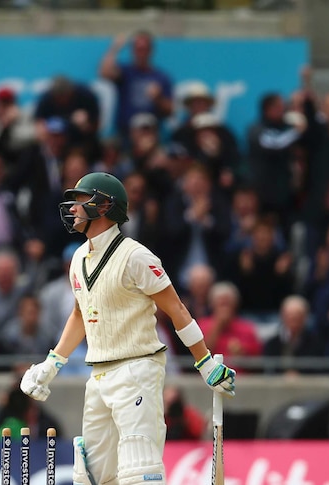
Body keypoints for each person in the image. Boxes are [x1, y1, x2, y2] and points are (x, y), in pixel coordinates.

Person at [19, 171, 236, 485]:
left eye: (82, 200)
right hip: (99, 374)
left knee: (138, 472)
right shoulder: (79, 258)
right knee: (91, 475)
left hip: (137, 370)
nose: (73, 208)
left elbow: (175, 308)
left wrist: (204, 363)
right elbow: (80, 315)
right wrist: (51, 365)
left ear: (105, 206)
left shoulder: (135, 256)